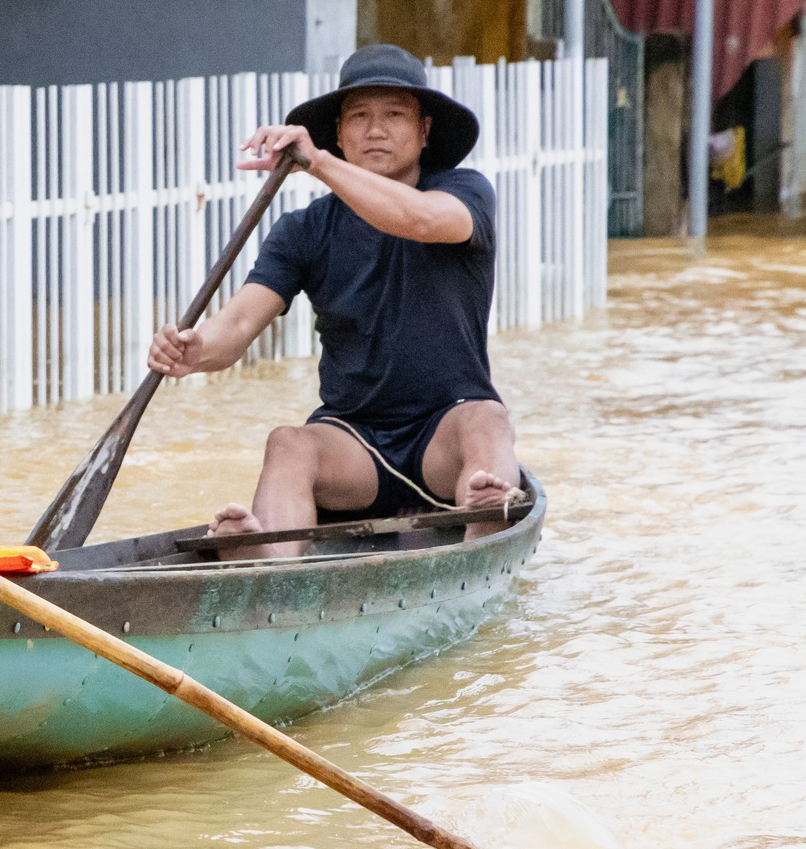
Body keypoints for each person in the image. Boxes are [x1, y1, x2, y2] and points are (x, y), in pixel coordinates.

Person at [146, 43, 523, 557]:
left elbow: (420, 220)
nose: (375, 130)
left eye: (394, 114)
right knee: (289, 442)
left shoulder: (464, 192)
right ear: (340, 134)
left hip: (446, 437)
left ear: (424, 131)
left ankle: (480, 531)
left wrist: (317, 163)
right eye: (359, 116)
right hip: (356, 445)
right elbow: (233, 329)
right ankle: (268, 566)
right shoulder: (303, 230)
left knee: (489, 419)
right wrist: (190, 350)